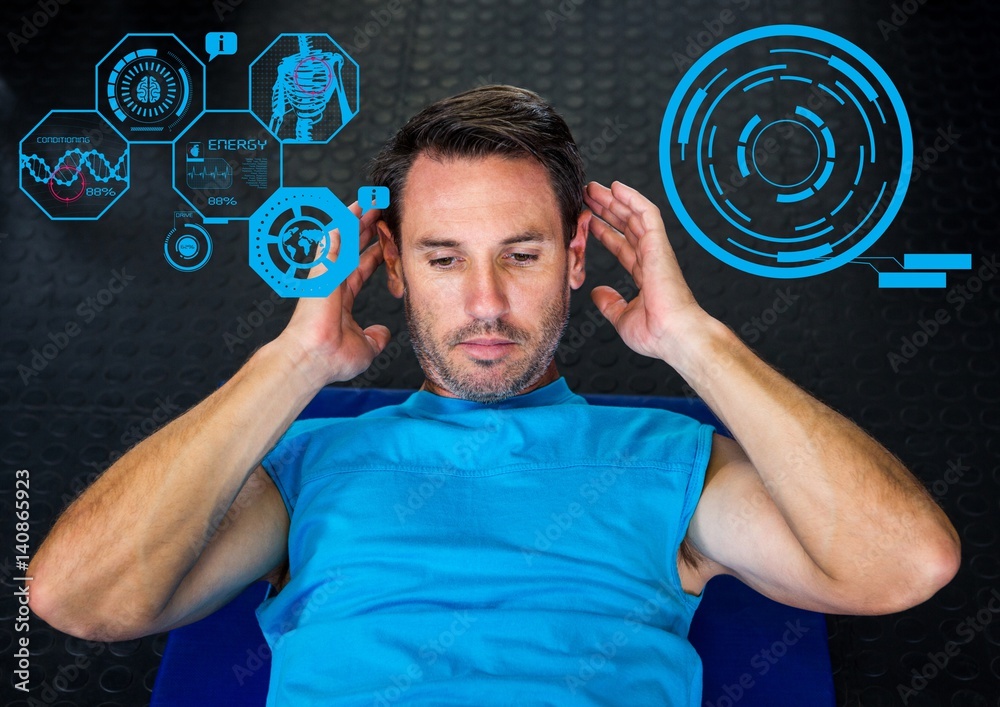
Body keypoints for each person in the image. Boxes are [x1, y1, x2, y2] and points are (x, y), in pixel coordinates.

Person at [28, 85, 961, 705]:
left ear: (574, 260)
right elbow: (78, 602)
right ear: (389, 264)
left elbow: (905, 566)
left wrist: (695, 341)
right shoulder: (305, 464)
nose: (484, 303)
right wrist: (291, 362)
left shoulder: (667, 459)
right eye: (443, 258)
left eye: (522, 255)